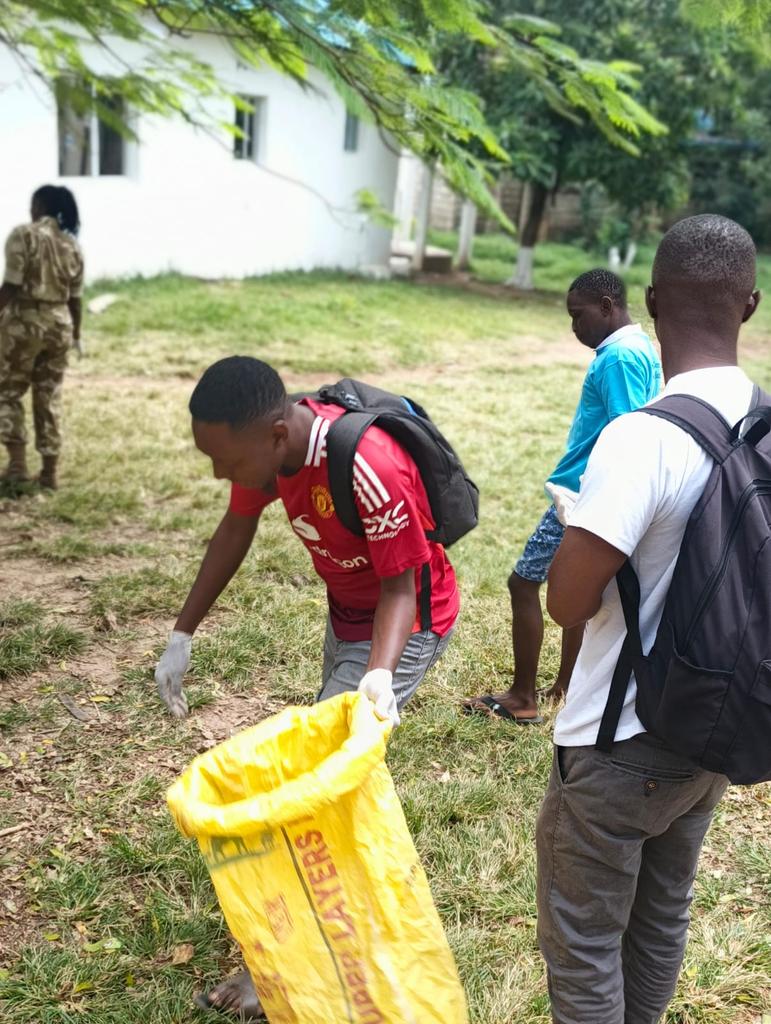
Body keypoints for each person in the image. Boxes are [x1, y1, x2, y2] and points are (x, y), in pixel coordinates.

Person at [155, 355, 460, 1018]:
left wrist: (378, 677)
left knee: (315, 788)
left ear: (273, 434)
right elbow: (236, 527)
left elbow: (402, 590)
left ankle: (281, 968)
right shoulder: (268, 449)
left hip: (403, 624)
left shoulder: (367, 466)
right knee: (326, 764)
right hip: (348, 616)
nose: (219, 475)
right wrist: (183, 632)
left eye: (225, 461)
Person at [538, 214, 761, 1023]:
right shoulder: (764, 422)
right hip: (710, 726)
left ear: (652, 299)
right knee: (661, 917)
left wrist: (576, 524)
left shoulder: (641, 439)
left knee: (584, 938)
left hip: (617, 740)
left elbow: (566, 602)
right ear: (749, 305)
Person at [465, 269, 661, 724]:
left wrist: (602, 499)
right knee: (572, 584)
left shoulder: (617, 357)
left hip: (578, 493)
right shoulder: (638, 348)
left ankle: (522, 697)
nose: (575, 327)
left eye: (579, 315)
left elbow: (625, 431)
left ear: (608, 306)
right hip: (587, 491)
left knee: (523, 582)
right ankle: (566, 685)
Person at [0, 185, 84, 490]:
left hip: (24, 323)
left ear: (39, 205)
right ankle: (49, 473)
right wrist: (75, 334)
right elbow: (75, 299)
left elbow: (11, 285)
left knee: (7, 392)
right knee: (49, 397)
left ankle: (17, 466)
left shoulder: (23, 235)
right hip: (60, 324)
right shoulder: (71, 245)